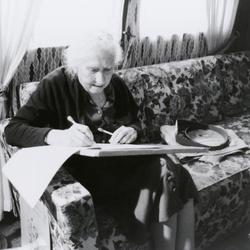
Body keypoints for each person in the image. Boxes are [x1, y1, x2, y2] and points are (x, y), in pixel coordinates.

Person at [5, 31, 198, 250]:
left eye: (108, 69)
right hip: (90, 174)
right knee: (165, 173)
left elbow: (135, 121)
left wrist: (132, 131)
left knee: (176, 172)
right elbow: (13, 129)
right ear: (76, 65)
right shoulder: (55, 84)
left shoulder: (115, 84)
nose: (101, 79)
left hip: (125, 164)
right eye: (93, 70)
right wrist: (58, 136)